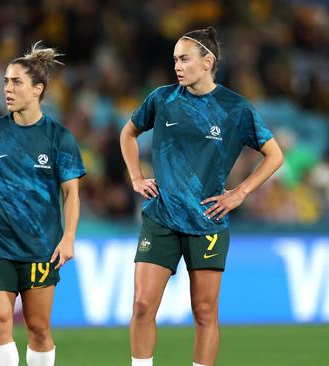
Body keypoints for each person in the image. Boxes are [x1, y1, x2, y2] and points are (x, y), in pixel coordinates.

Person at [120, 27, 283, 366]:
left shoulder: (235, 108)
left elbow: (275, 155)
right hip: (161, 217)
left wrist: (240, 193)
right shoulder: (162, 99)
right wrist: (135, 176)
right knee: (142, 305)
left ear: (207, 62)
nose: (177, 66)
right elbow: (128, 133)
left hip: (207, 221)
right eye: (175, 59)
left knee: (205, 312)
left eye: (184, 59)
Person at [0, 42, 85, 366]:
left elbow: (71, 193)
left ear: (38, 89)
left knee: (38, 329)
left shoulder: (58, 137)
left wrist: (68, 238)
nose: (8, 88)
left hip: (40, 247)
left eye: (16, 82)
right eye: (6, 81)